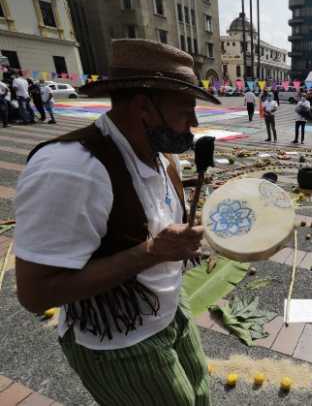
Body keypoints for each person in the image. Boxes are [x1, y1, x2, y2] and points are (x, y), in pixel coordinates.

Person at [14, 39, 221, 406]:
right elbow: (35, 294)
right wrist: (153, 251)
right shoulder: (72, 171)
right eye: (185, 109)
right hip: (119, 342)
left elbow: (153, 229)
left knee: (200, 398)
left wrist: (184, 243)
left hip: (170, 310)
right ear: (144, 108)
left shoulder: (162, 157)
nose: (195, 122)